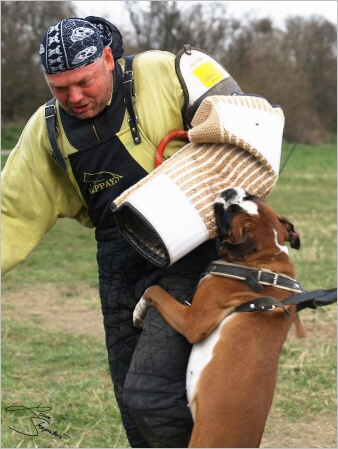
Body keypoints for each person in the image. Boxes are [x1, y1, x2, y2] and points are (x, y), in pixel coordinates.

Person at [1, 16, 223, 448]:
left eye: (83, 82)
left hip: (193, 250)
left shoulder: (162, 72)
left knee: (151, 395)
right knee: (131, 408)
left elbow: (236, 121)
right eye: (59, 88)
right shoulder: (47, 131)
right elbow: (8, 212)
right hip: (119, 264)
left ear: (108, 59)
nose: (75, 97)